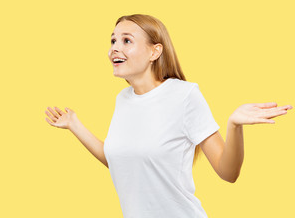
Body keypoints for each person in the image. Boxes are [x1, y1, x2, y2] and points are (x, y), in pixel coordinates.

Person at [44, 14, 292, 218]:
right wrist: (75, 125)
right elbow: (122, 162)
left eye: (127, 40)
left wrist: (234, 125)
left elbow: (229, 173)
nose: (114, 48)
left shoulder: (184, 95)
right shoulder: (123, 100)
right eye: (113, 41)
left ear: (155, 52)